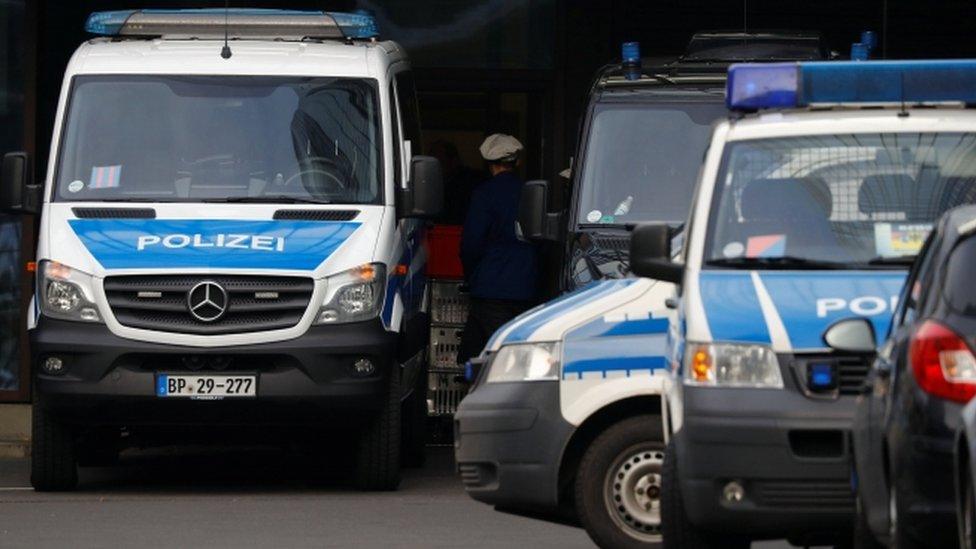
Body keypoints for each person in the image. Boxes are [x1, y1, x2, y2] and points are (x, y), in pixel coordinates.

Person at [457, 134, 540, 364]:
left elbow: (471, 245)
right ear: (518, 162)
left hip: (490, 287)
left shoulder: (484, 194)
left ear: (488, 163)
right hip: (526, 286)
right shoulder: (532, 194)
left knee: (484, 356)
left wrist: (472, 276)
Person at [429, 140, 483, 225]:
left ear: (454, 161)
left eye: (440, 161)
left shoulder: (469, 183)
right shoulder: (430, 187)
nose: (435, 168)